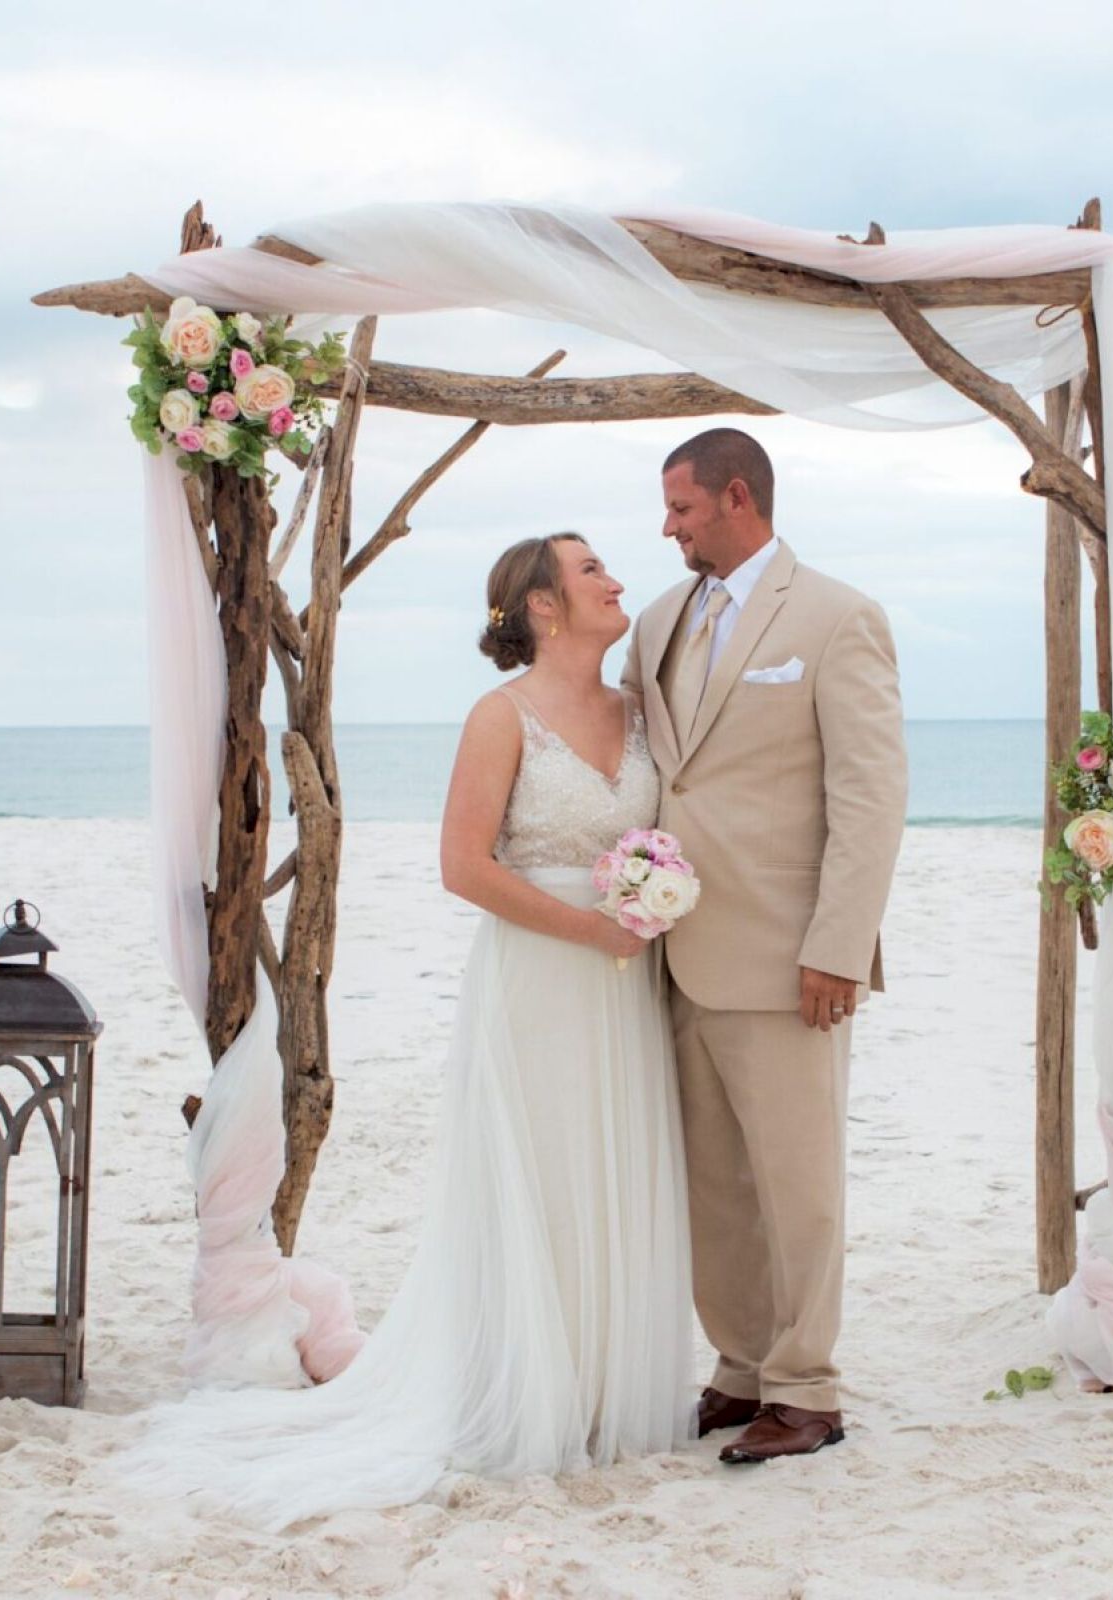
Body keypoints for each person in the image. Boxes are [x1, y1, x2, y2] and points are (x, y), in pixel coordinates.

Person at [121, 533, 694, 1528]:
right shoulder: (500, 716)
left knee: (616, 1169)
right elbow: (465, 867)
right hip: (539, 976)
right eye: (590, 567)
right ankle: (523, 1388)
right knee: (538, 1176)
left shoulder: (642, 712)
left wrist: (648, 902)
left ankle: (602, 1388)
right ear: (544, 606)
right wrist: (592, 925)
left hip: (625, 982)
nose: (614, 579)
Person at [622, 428, 908, 1465]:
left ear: (736, 497)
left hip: (793, 958)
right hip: (676, 948)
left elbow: (870, 797)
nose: (667, 527)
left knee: (797, 1180)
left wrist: (840, 942)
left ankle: (807, 1386)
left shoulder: (837, 618)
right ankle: (741, 1370)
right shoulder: (656, 621)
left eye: (682, 509)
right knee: (716, 1184)